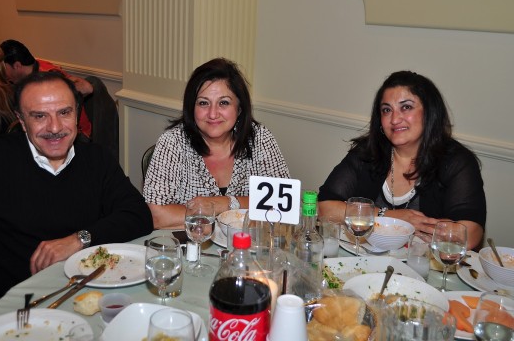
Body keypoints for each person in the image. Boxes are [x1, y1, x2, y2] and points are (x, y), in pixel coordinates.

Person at [0, 71, 153, 339]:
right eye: (39, 116)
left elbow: (137, 214)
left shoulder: (96, 159)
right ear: (21, 120)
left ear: (77, 113)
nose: (55, 127)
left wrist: (80, 239)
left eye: (64, 112)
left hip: (72, 293)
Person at [317, 71, 486, 250]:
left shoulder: (456, 161)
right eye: (386, 110)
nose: (395, 119)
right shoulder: (367, 153)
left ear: (430, 113)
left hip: (423, 264)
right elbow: (324, 208)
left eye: (406, 107)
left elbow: (470, 234)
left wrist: (360, 215)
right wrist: (390, 217)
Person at [143, 57, 290, 229]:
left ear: (239, 108)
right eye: (203, 103)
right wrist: (243, 207)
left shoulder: (259, 138)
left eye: (224, 103)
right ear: (192, 108)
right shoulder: (172, 142)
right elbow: (156, 215)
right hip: (189, 245)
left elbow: (284, 206)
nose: (213, 114)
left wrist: (224, 203)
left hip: (248, 245)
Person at [0, 39, 93, 139]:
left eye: (3, 68)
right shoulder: (33, 68)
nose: (1, 72)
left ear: (17, 66)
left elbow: (87, 88)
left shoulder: (49, 75)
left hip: (77, 134)